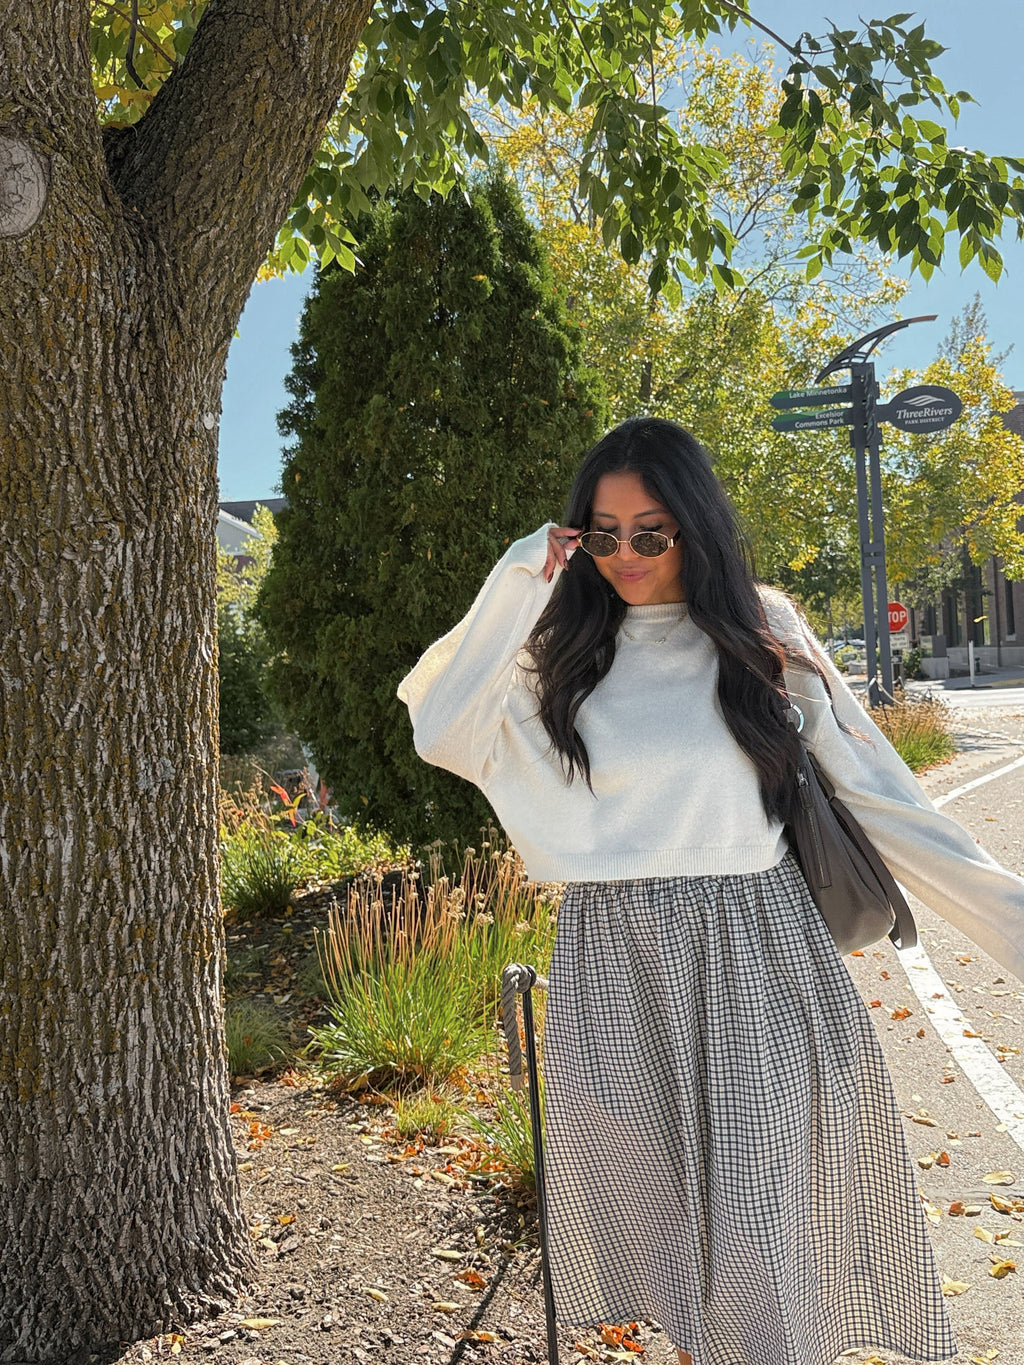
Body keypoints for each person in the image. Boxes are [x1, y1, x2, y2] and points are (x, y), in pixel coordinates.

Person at [397, 417, 1024, 1365]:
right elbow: (440, 726)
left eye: (651, 531)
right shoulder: (552, 655)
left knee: (767, 1241)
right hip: (616, 970)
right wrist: (523, 575)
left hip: (758, 955)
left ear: (697, 526)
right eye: (601, 535)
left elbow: (887, 800)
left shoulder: (762, 630)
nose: (626, 555)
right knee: (672, 1246)